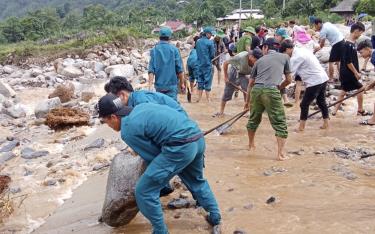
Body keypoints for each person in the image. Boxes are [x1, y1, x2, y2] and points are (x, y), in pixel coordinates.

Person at [97, 95, 222, 234]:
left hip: (181, 147)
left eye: (105, 122)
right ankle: (215, 216)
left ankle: (160, 231)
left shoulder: (127, 130)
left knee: (144, 191)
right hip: (197, 137)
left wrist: (154, 180)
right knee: (196, 181)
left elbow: (154, 155)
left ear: (113, 117)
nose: (108, 125)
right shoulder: (139, 108)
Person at [245, 38, 292, 160]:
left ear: (266, 47)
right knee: (280, 123)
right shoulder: (285, 57)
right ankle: (280, 154)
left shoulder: (258, 61)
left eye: (262, 48)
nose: (262, 50)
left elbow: (251, 83)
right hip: (271, 90)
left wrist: (247, 102)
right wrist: (279, 87)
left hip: (256, 90)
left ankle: (251, 145)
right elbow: (289, 80)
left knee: (253, 119)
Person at [281, 40, 329, 131]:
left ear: (287, 49)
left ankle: (301, 128)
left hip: (315, 81)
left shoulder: (296, 57)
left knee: (304, 104)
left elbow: (289, 75)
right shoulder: (302, 50)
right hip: (323, 77)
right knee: (321, 102)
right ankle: (326, 123)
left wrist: (279, 86)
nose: (285, 56)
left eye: (284, 53)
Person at [332, 22, 370, 116]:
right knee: (360, 88)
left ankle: (334, 111)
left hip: (345, 72)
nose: (360, 35)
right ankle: (360, 110)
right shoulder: (347, 45)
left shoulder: (352, 44)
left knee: (343, 91)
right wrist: (356, 73)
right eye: (360, 33)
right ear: (356, 31)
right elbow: (348, 62)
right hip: (348, 72)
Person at [213, 48, 263, 117]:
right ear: (251, 56)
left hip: (245, 74)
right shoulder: (241, 57)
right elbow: (225, 63)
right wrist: (226, 77)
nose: (257, 62)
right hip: (235, 71)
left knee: (248, 92)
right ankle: (221, 111)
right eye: (256, 60)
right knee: (227, 91)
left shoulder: (259, 61)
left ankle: (247, 112)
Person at [148, 27, 185, 101]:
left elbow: (151, 70)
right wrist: (182, 84)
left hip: (159, 87)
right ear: (169, 37)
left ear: (159, 37)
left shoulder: (154, 50)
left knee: (161, 109)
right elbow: (180, 70)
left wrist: (150, 85)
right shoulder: (174, 50)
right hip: (172, 86)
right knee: (172, 108)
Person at [357, 40, 375, 125]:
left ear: (368, 49)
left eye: (361, 52)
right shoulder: (373, 56)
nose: (361, 55)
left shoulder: (374, 57)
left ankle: (373, 120)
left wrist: (370, 86)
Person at [196, 26, 216, 102]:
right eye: (211, 34)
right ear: (207, 34)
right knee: (208, 81)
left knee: (200, 80)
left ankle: (199, 99)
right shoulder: (210, 42)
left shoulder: (198, 41)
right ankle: (208, 99)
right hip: (207, 64)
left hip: (199, 64)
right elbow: (212, 55)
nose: (211, 36)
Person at [274, 28, 292, 107]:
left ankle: (284, 99)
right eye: (282, 37)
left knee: (281, 81)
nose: (284, 39)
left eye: (284, 37)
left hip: (281, 65)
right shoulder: (274, 44)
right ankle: (284, 99)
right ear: (277, 36)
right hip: (276, 65)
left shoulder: (283, 45)